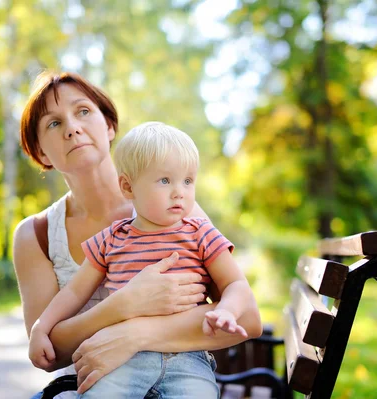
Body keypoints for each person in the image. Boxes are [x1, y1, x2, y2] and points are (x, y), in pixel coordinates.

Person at [13, 71, 262, 398]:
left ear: (109, 125)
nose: (72, 127)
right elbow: (48, 353)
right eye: (54, 123)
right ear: (41, 153)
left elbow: (248, 318)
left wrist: (136, 334)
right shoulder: (37, 234)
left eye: (83, 111)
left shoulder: (172, 208)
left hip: (181, 369)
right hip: (97, 384)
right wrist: (123, 305)